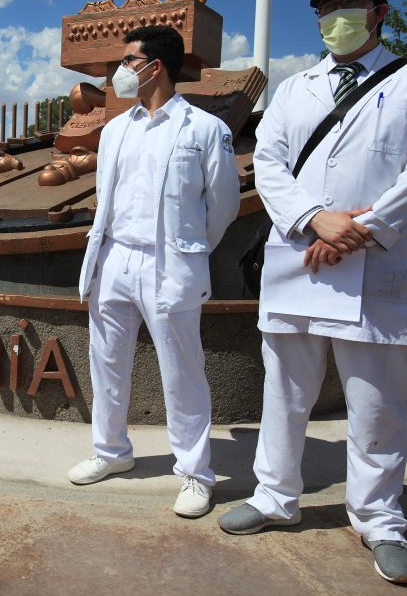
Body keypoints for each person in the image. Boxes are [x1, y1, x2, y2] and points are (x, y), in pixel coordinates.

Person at [217, 0, 407, 586]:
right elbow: (267, 162)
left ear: (378, 11)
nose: (338, 15)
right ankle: (275, 495)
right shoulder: (297, 89)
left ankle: (378, 518)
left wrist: (362, 230)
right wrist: (315, 220)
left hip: (377, 266)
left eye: (352, 3)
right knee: (285, 394)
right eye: (328, 5)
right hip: (300, 258)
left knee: (377, 404)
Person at [70, 26, 241, 518]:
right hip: (115, 259)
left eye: (127, 61)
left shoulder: (205, 130)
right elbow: (107, 198)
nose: (120, 72)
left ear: (155, 66)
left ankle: (195, 473)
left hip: (170, 264)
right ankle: (110, 452)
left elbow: (223, 206)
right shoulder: (117, 129)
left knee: (182, 372)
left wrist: (190, 251)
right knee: (106, 363)